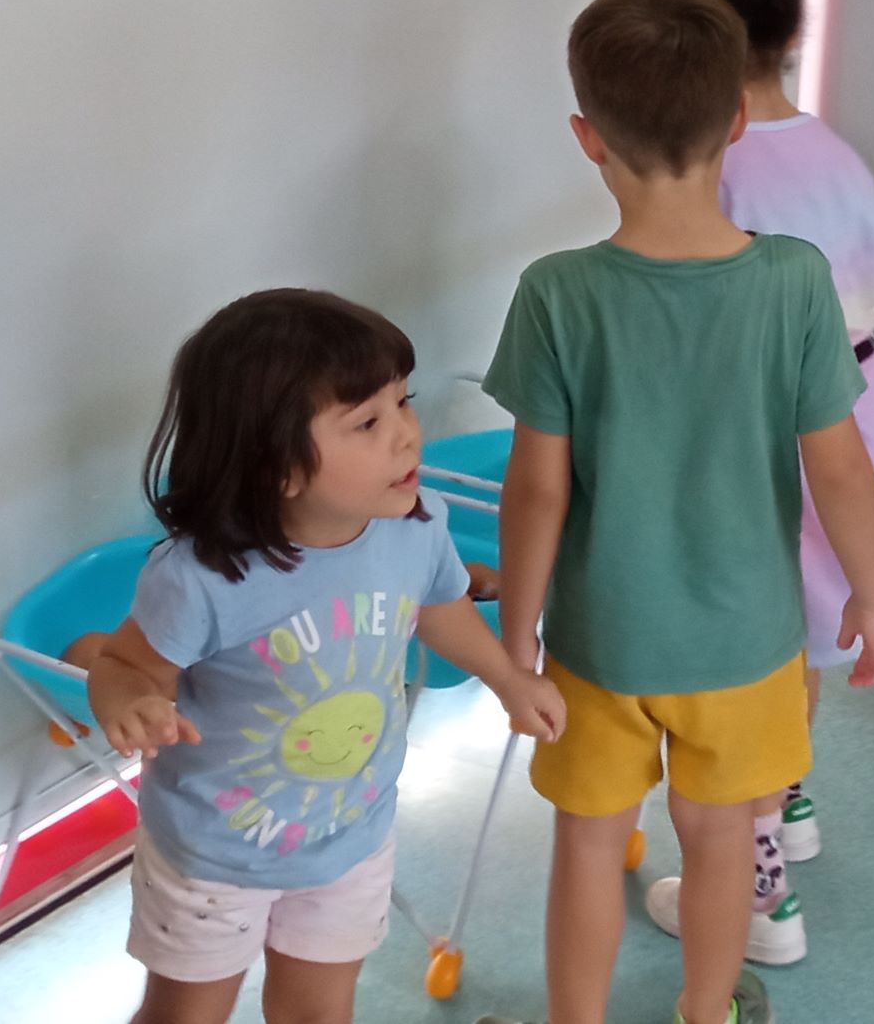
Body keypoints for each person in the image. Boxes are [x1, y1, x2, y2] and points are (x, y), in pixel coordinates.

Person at [479, 0, 874, 1024]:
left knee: (586, 843)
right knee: (719, 838)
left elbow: (536, 488)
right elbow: (840, 466)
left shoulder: (558, 292)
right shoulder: (793, 281)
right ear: (738, 121)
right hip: (747, 639)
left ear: (588, 137)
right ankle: (705, 1012)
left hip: (601, 640)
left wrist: (516, 634)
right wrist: (872, 594)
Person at [85, 289, 564, 1024]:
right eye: (367, 422)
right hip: (215, 856)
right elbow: (126, 666)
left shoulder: (413, 526)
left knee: (319, 1011)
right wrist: (132, 701)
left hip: (351, 836)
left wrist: (507, 677)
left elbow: (439, 604)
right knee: (186, 1015)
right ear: (276, 466)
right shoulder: (203, 577)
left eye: (403, 403)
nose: (407, 435)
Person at [617, 0, 874, 963]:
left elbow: (698, 345)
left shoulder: (713, 172)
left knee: (743, 659)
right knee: (795, 645)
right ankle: (788, 800)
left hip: (766, 438)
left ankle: (755, 895)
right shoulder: (834, 151)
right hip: (859, 410)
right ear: (790, 28)